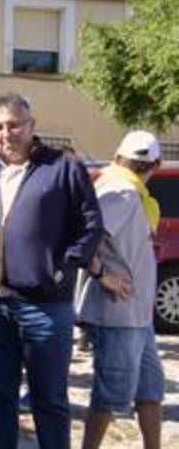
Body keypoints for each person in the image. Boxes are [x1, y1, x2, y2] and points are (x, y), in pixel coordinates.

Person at [0, 92, 102, 449]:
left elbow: (91, 224)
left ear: (32, 125)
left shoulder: (63, 167)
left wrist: (62, 268)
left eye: (15, 124)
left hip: (46, 307)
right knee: (0, 397)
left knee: (49, 400)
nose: (8, 133)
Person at [77, 130, 164, 449]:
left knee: (150, 390)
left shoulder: (125, 189)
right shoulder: (122, 192)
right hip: (117, 313)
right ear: (156, 163)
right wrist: (103, 276)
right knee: (110, 395)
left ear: (117, 157)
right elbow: (84, 237)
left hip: (137, 315)